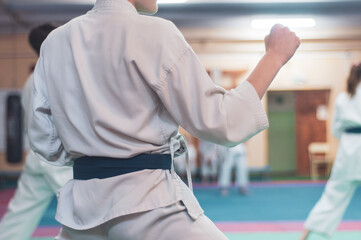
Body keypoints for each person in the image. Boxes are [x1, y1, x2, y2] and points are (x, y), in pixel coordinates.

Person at [27, 0, 300, 239]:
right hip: (147, 205)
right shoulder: (155, 33)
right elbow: (222, 121)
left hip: (82, 212)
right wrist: (274, 56)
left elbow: (44, 139)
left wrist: (93, 153)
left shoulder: (54, 42)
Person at [0, 24, 73, 240]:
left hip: (36, 156)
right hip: (57, 159)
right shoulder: (57, 77)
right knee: (83, 210)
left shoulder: (30, 80)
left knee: (20, 212)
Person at [299, 63, 361, 240]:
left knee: (332, 195)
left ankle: (304, 235)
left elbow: (335, 130)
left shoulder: (343, 98)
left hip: (348, 148)